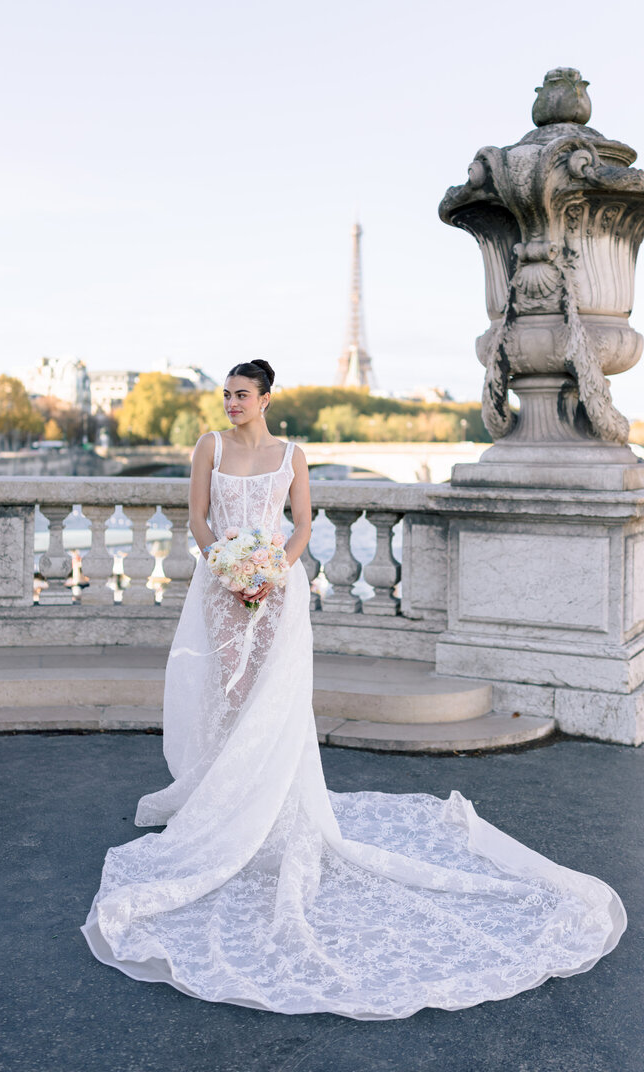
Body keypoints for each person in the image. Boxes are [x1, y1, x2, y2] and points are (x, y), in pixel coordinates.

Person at [81, 358, 626, 1019]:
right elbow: (196, 519)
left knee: (271, 706)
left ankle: (271, 816)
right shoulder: (208, 447)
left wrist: (271, 572)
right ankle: (220, 810)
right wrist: (225, 565)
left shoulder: (293, 455)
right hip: (220, 591)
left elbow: (304, 527)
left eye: (241, 394)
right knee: (226, 697)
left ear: (265, 398)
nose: (230, 403)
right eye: (225, 394)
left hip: (276, 594)